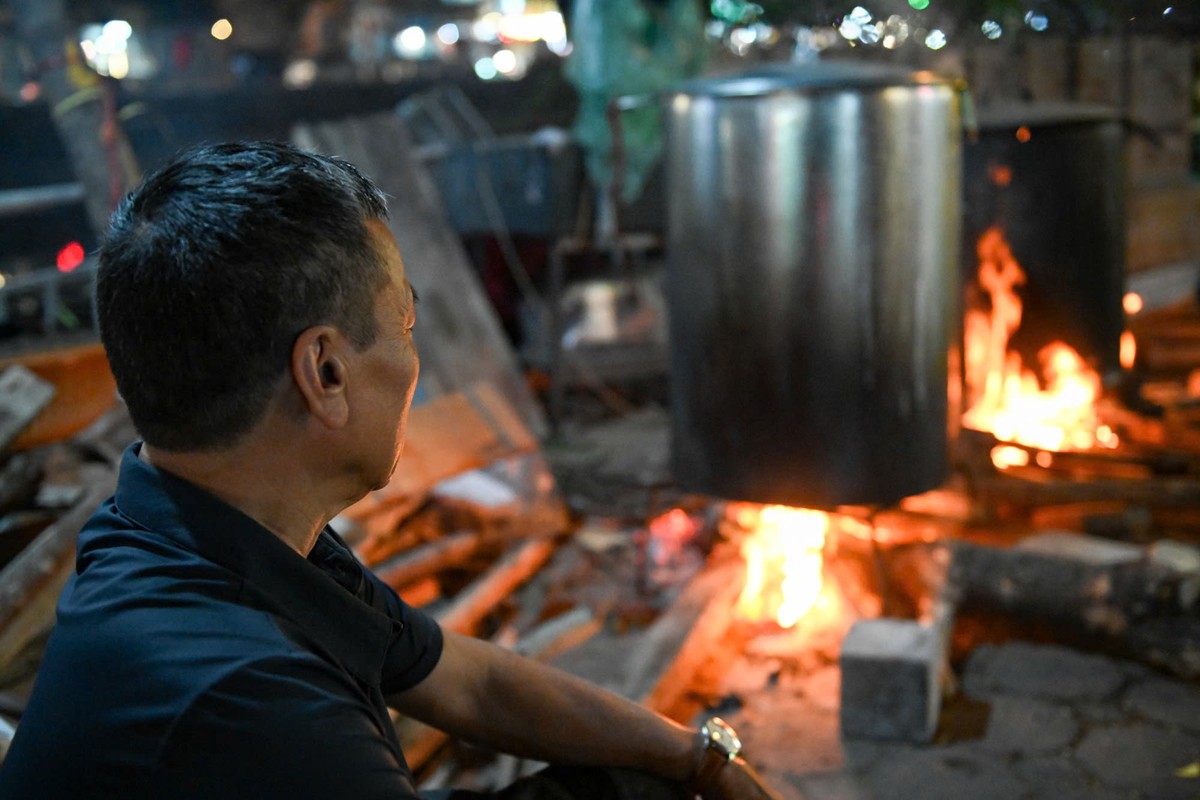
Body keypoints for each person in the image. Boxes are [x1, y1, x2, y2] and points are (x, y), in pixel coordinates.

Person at [0, 141, 783, 800]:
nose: (417, 360)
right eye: (404, 323)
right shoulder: (250, 698)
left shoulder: (191, 525)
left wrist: (695, 756)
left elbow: (463, 679)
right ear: (326, 373)